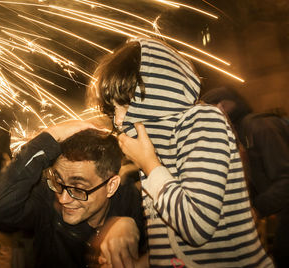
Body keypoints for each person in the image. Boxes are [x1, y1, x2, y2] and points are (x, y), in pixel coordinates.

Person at [88, 38, 273, 267]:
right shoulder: (157, 146)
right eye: (113, 110)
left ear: (156, 93)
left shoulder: (204, 122)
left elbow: (196, 228)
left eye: (125, 105)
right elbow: (173, 247)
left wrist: (149, 164)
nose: (118, 120)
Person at [0, 121, 146, 268]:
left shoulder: (136, 203)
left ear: (111, 186)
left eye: (78, 188)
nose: (63, 198)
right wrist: (50, 136)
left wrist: (129, 224)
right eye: (58, 181)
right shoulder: (46, 201)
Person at [202, 87, 289, 268]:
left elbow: (286, 181)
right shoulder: (240, 134)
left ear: (222, 106)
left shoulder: (259, 127)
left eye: (207, 111)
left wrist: (255, 209)